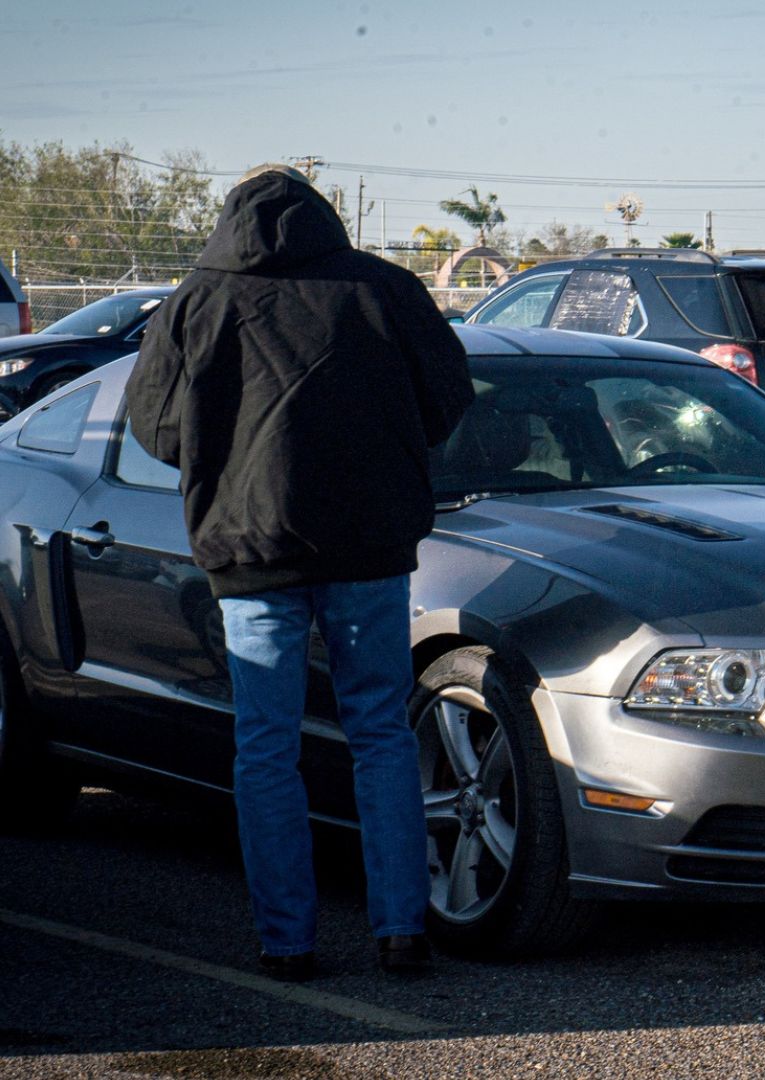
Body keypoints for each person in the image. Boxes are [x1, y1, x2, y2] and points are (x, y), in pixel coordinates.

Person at [128, 164, 474, 977]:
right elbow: (450, 395)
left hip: (249, 549)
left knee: (265, 748)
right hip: (369, 545)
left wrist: (224, 454)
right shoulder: (383, 288)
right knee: (382, 736)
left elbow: (153, 423)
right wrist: (384, 451)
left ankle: (287, 942)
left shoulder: (196, 299)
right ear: (323, 214)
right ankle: (400, 930)